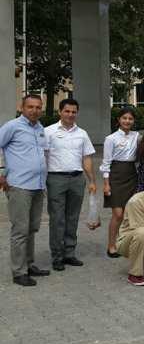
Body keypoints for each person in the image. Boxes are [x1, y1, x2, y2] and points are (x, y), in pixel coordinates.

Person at [0, 95, 50, 286]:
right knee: (20, 230)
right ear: (21, 107)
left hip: (37, 185)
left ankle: (28, 265)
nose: (34, 110)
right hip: (19, 186)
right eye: (30, 107)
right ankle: (19, 271)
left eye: (38, 107)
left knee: (32, 228)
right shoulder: (12, 126)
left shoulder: (40, 128)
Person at [44, 98, 97, 271]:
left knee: (72, 218)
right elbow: (42, 157)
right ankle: (57, 256)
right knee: (57, 219)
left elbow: (87, 158)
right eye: (67, 111)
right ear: (60, 112)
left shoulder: (82, 133)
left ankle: (69, 253)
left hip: (76, 179)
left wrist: (92, 181)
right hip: (56, 179)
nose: (70, 114)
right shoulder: (48, 132)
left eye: (74, 112)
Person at [102, 107, 140, 258]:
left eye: (130, 119)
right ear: (119, 119)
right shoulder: (110, 139)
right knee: (118, 214)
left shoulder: (137, 136)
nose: (127, 121)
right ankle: (111, 245)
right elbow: (106, 163)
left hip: (131, 174)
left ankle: (126, 243)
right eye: (124, 118)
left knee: (130, 213)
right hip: (116, 175)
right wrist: (106, 183)